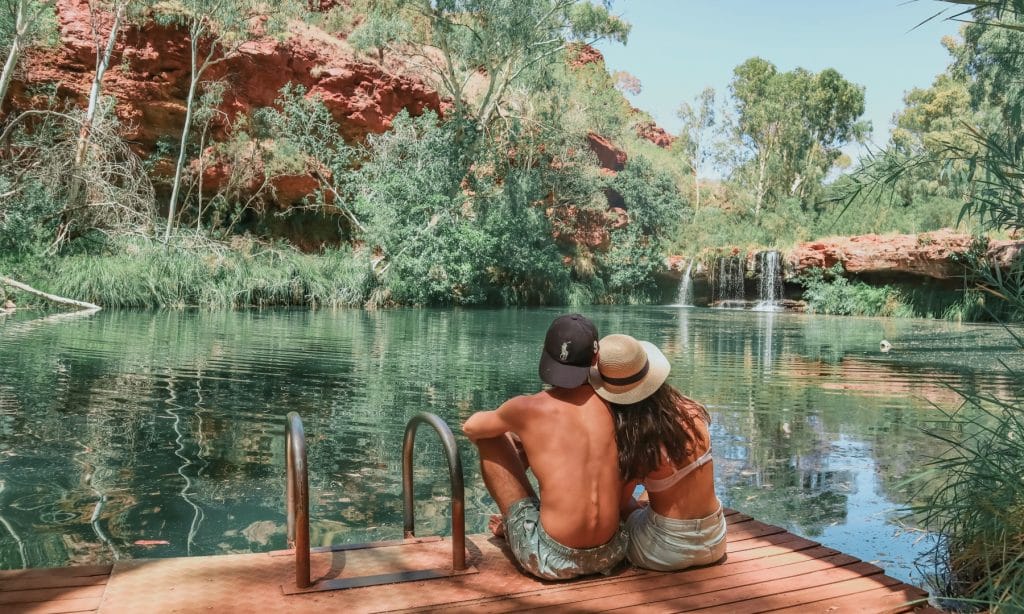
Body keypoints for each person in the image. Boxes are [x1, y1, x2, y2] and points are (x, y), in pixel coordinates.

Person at [462, 314, 628, 580]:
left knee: (491, 437)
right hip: (612, 552)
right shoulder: (617, 406)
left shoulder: (528, 408)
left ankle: (516, 524)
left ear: (545, 352)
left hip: (551, 558)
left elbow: (471, 427)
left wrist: (517, 433)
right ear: (596, 359)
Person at [590, 333, 726, 572]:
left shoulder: (639, 439)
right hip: (715, 539)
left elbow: (618, 505)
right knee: (648, 499)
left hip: (666, 552)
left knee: (618, 512)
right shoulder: (692, 411)